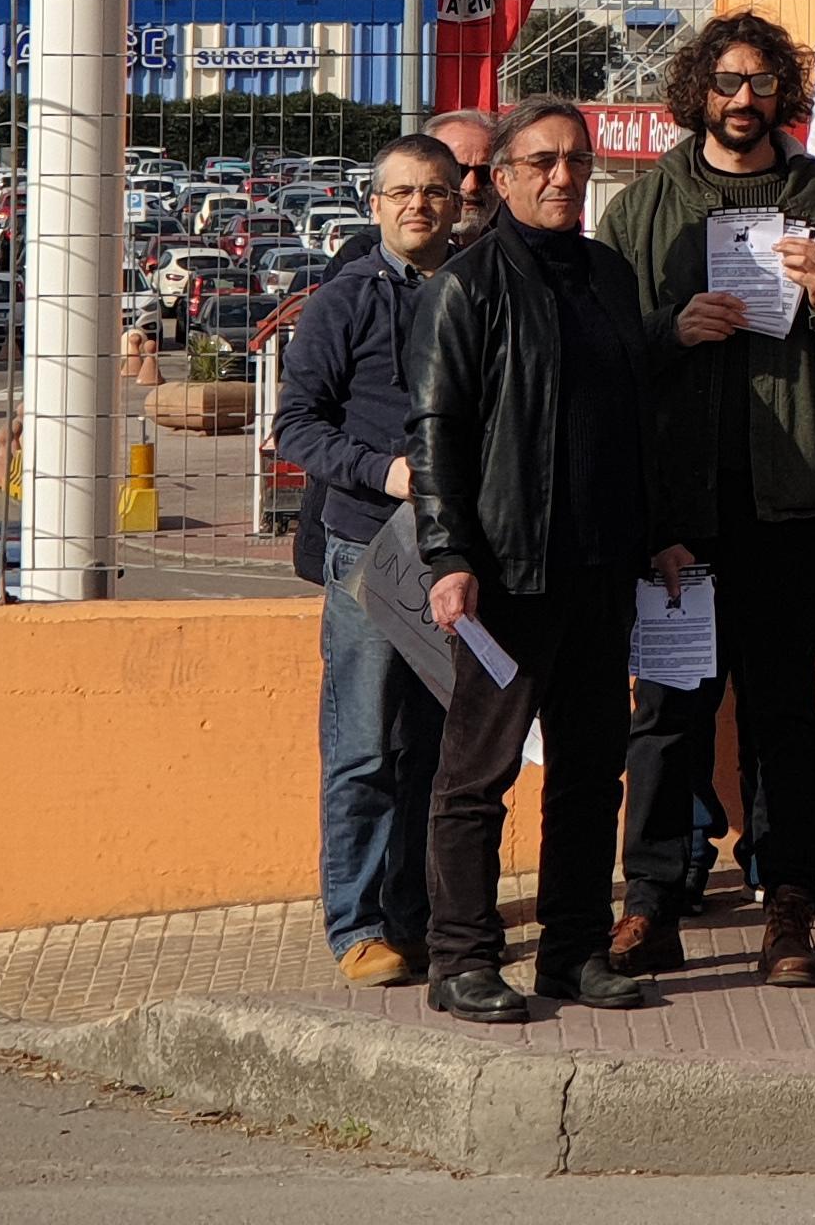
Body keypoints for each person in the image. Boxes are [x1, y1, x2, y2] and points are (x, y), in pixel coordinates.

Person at [592, 10, 815, 991]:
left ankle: (790, 900)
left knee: (783, 710)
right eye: (726, 82)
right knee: (671, 708)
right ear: (697, 94)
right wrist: (669, 331)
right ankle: (649, 900)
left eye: (761, 82)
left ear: (782, 95)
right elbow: (603, 364)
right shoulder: (642, 209)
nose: (744, 99)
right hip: (679, 506)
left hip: (790, 502)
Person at [410, 99, 660, 1025]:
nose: (564, 176)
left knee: (594, 772)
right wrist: (450, 555)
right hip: (503, 576)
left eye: (576, 160)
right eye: (543, 162)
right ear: (503, 178)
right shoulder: (464, 288)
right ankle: (462, 958)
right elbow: (436, 433)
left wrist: (658, 530)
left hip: (601, 571)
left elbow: (638, 419)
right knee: (479, 774)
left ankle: (574, 952)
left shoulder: (608, 276)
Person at [272, 135, 463, 987]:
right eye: (402, 192)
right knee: (362, 744)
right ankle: (355, 926)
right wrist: (383, 470)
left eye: (434, 191)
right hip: (370, 549)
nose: (418, 205)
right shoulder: (341, 302)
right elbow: (298, 425)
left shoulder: (481, 288)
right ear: (376, 204)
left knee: (436, 746)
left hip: (463, 551)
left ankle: (412, 917)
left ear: (458, 201)